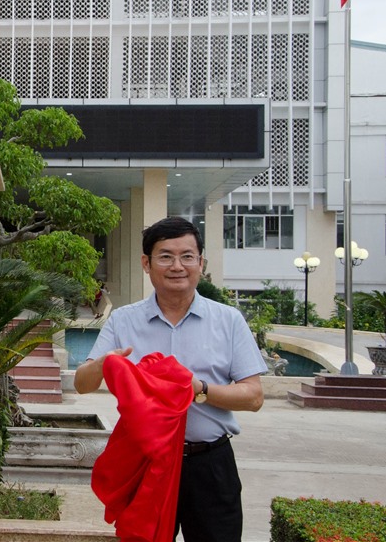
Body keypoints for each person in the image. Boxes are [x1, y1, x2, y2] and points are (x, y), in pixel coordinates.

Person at [74, 216, 266, 542]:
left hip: (210, 465)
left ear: (200, 263)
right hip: (146, 463)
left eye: (187, 256)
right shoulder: (123, 320)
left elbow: (253, 397)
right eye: (166, 256)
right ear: (146, 264)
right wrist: (106, 363)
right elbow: (82, 383)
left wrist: (199, 391)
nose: (177, 266)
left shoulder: (228, 320)